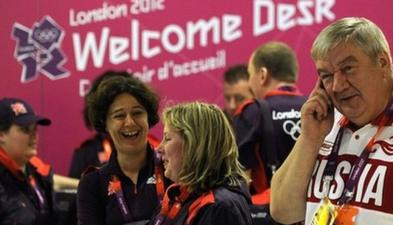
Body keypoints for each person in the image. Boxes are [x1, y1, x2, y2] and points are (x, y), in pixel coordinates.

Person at [270, 17, 393, 225]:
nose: (337, 86)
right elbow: (283, 211)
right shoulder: (323, 127)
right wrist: (310, 138)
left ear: (382, 62)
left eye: (348, 68)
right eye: (327, 76)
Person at [77, 74, 169, 225]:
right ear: (105, 124)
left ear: (149, 118)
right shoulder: (92, 184)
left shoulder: (172, 171)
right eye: (119, 115)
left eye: (137, 113)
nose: (130, 122)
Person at [149, 102, 253, 225]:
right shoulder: (182, 195)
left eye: (167, 138)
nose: (159, 148)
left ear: (194, 145)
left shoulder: (218, 207)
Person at [233, 42, 307, 199]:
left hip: (273, 213)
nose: (250, 82)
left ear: (262, 75)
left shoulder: (251, 112)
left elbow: (242, 180)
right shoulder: (317, 108)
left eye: (250, 74)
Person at [0, 97, 57, 225]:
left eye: (35, 129)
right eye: (25, 129)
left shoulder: (39, 174)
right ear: (1, 135)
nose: (34, 136)